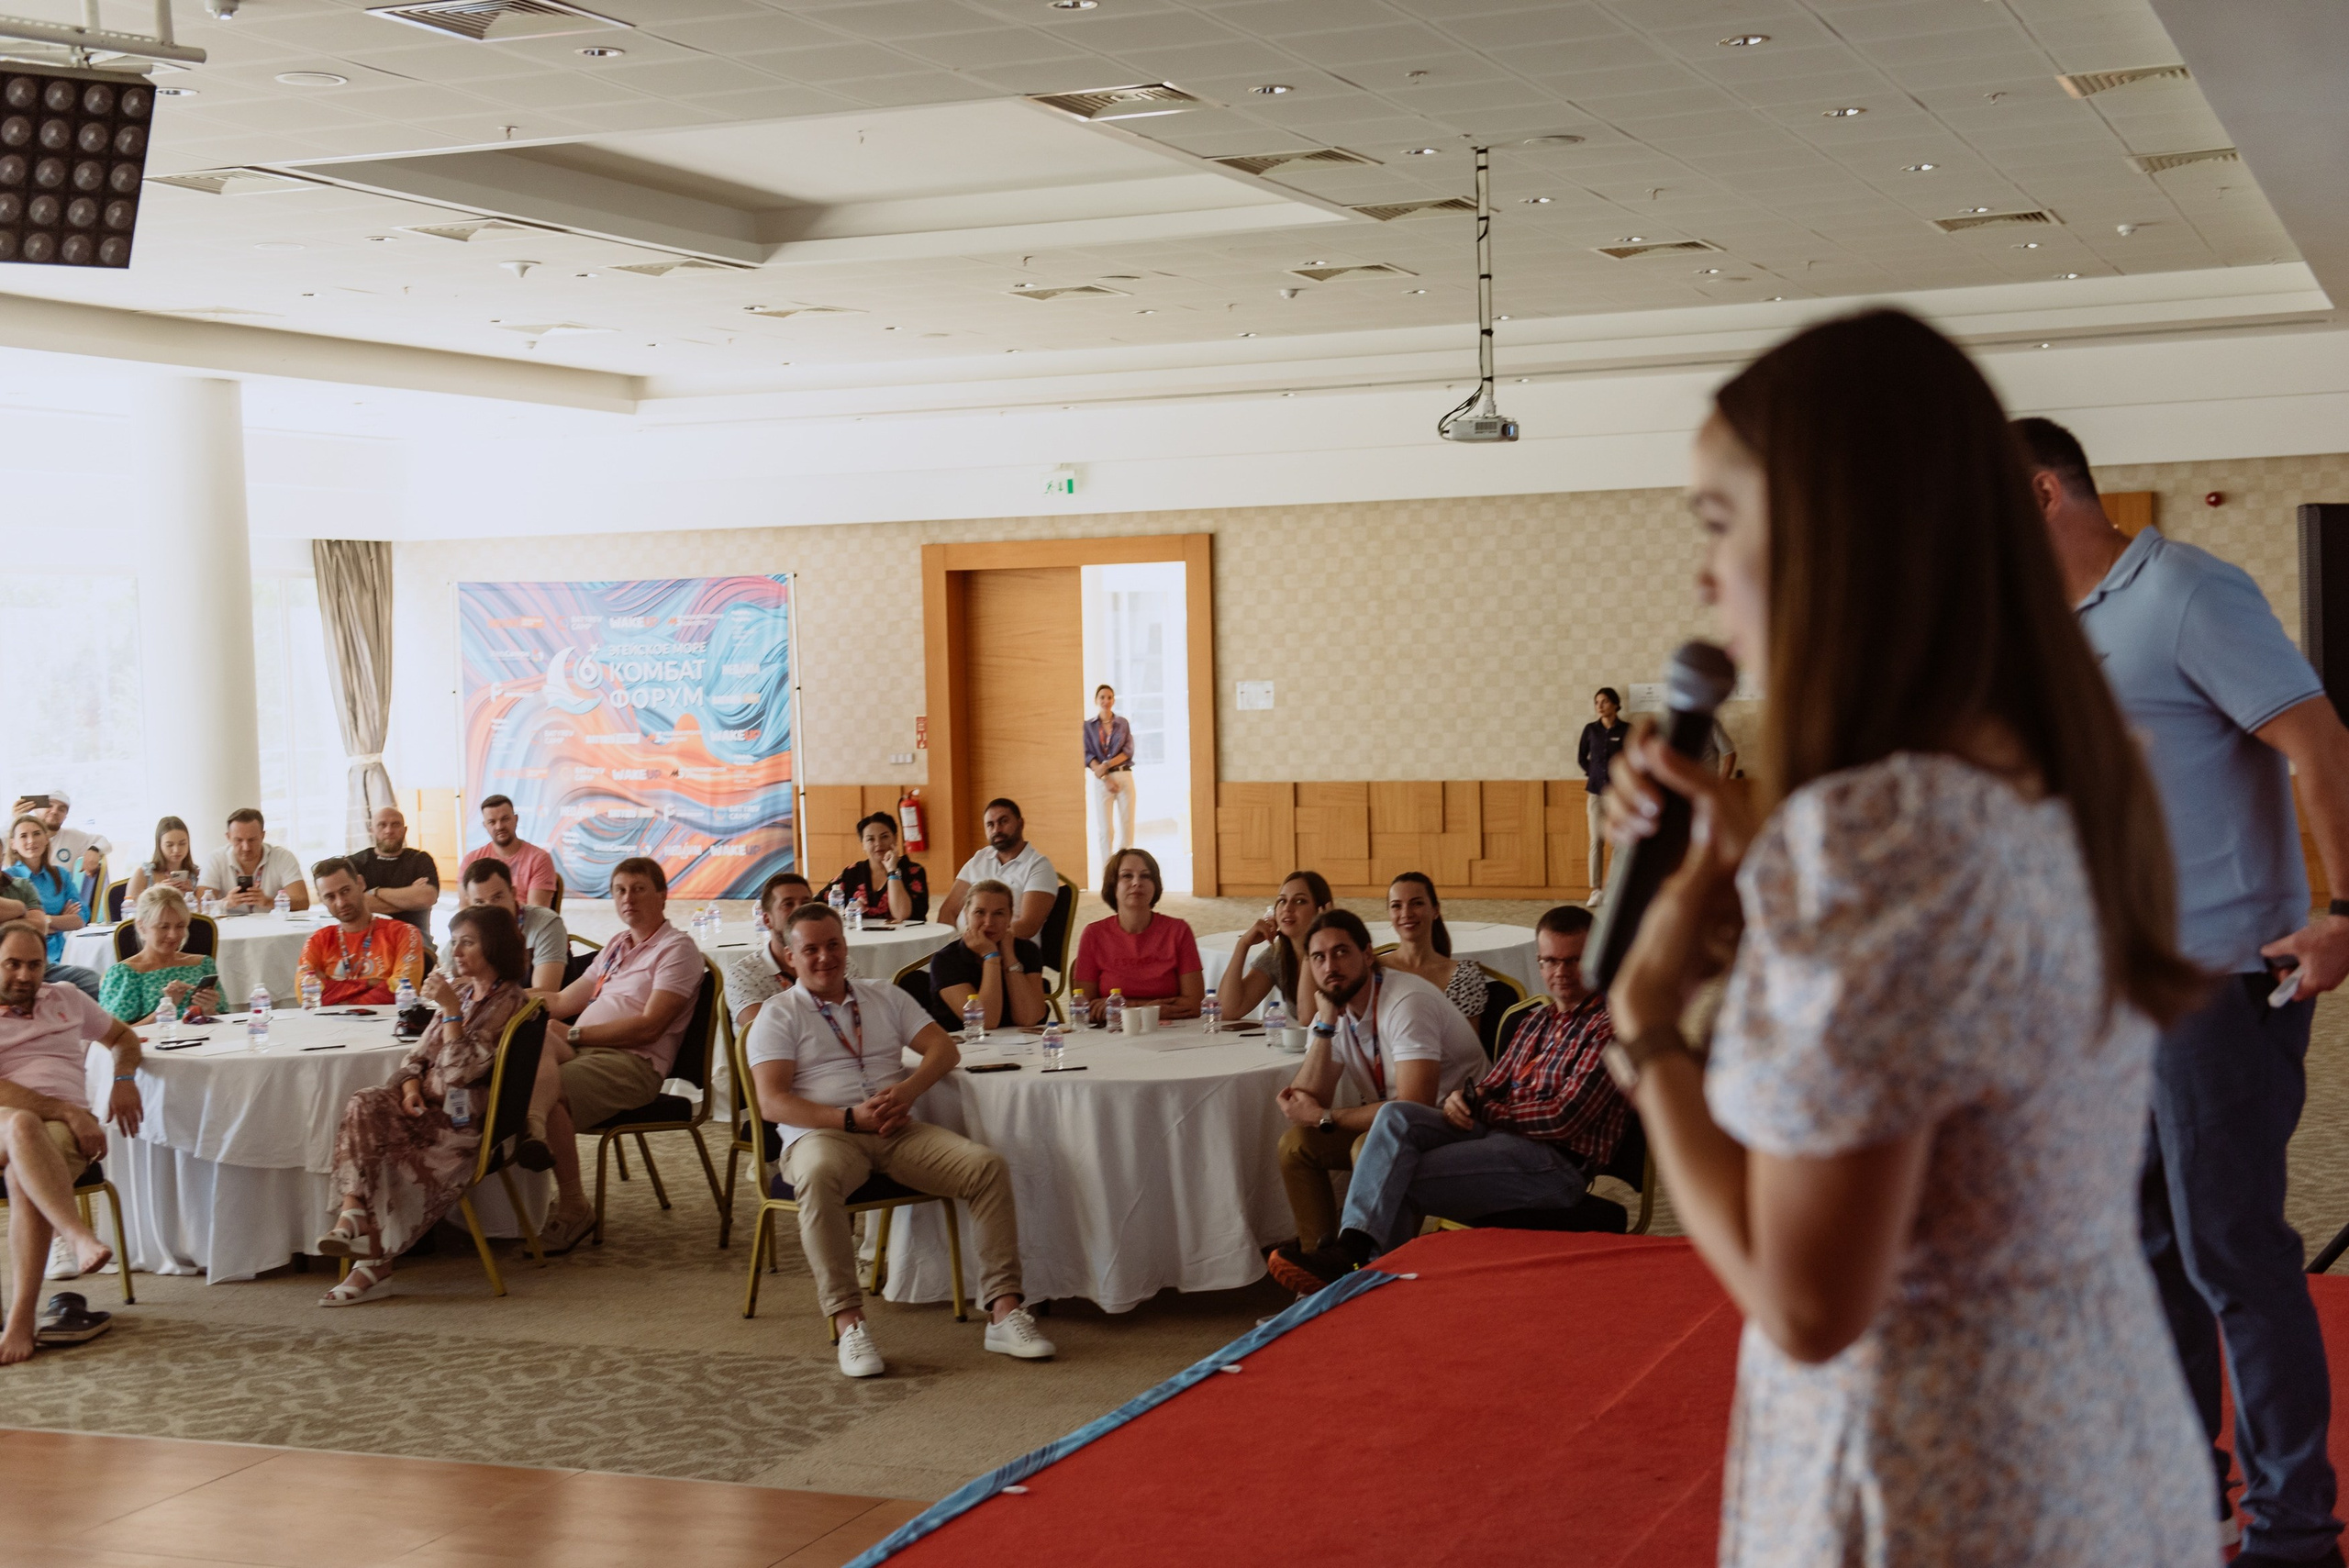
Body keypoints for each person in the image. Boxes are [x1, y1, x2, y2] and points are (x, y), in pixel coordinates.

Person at [1596, 310, 2210, 1564]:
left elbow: (1809, 1299)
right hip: (2099, 1426)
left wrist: (1652, 1033)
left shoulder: (1876, 834)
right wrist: (1759, 878)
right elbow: (1950, 1039)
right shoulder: (2087, 776)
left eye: (1719, 525)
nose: (1704, 581)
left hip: (1939, 1466)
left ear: (1834, 538)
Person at [2022, 413, 2349, 1564]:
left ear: (2039, 492)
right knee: (2142, 1254)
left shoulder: (2191, 593)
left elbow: (2320, 742)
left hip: (2215, 989)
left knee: (2232, 1260)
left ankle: (2295, 1527)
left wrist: (2345, 911)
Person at [743, 901, 1055, 1377]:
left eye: (833, 945)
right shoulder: (777, 1015)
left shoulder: (881, 996)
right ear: (790, 957)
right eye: (811, 950)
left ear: (846, 946)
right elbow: (772, 1102)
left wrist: (907, 1092)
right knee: (819, 1177)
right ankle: (848, 1323)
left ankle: (1003, 1310)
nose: (825, 957)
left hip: (896, 1130)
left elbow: (943, 1049)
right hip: (824, 1135)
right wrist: (848, 1118)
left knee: (985, 1168)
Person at [1271, 906, 1624, 1291]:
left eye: (1573, 961)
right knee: (1396, 1117)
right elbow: (1495, 1082)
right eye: (1550, 961)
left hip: (1554, 1165)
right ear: (1538, 963)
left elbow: (1563, 1118)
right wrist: (1466, 1098)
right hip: (1496, 1137)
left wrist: (1485, 1106)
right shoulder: (1539, 1020)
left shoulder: (1609, 1027)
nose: (1560, 972)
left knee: (1396, 1173)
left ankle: (1360, 1277)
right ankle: (1352, 1255)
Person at [314, 906, 532, 1307]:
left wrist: (450, 1011)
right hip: (426, 1108)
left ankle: (373, 1258)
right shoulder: (466, 992)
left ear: (495, 946)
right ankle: (353, 1211)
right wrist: (411, 1084)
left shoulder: (509, 1004)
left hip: (459, 1126)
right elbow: (417, 1055)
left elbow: (458, 1074)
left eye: (469, 942)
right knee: (365, 1102)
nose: (458, 951)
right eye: (456, 941)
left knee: (380, 1143)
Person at [1272, 909, 1485, 1253]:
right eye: (1319, 958)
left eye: (1341, 952)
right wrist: (1325, 1025)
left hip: (1456, 1122)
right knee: (1296, 1146)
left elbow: (1411, 1108)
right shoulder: (1336, 1006)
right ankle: (1320, 1270)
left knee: (1364, 1147)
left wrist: (1326, 1117)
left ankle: (1376, 1263)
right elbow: (1306, 1098)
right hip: (1397, 1124)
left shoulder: (1406, 1002)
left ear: (1368, 955)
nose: (1330, 967)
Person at [535, 857, 702, 1251]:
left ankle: (575, 1207)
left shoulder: (677, 949)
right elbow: (559, 1000)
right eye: (620, 891)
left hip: (633, 1063)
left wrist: (575, 1034)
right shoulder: (616, 944)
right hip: (586, 1049)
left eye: (639, 889)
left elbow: (650, 1027)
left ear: (662, 895)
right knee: (520, 1049)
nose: (628, 899)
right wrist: (500, 998)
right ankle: (528, 1145)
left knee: (547, 1090)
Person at [0, 920, 144, 1363]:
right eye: (12, 964)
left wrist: (122, 1077)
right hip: (20, 1117)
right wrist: (67, 1111)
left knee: (26, 1173)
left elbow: (123, 1036)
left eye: (34, 965)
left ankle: (21, 1318)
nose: (24, 975)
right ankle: (77, 1234)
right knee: (23, 1124)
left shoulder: (66, 998)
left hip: (58, 1134)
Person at [1071, 848, 1202, 1020]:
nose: (1136, 883)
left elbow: (1195, 1005)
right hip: (1112, 1034)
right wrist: (1148, 1010)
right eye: (1127, 876)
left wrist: (1118, 1008)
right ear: (1113, 885)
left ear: (1156, 886)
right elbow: (1084, 1008)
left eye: (1145, 876)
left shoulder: (1179, 930)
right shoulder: (1093, 934)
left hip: (1171, 1031)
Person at [296, 858, 425, 1006]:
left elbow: (402, 990)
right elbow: (304, 992)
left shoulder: (404, 933)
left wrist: (337, 995)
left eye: (345, 891)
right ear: (321, 899)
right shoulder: (318, 940)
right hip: (331, 1026)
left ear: (360, 883)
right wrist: (370, 983)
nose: (341, 902)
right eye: (330, 897)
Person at [726, 873, 840, 1039]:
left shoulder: (835, 962)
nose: (799, 911)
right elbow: (767, 1034)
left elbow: (860, 1016)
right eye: (788, 904)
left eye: (806, 903)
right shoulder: (744, 974)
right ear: (767, 920)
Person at [928, 880, 1047, 1033]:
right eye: (979, 912)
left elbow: (1029, 1018)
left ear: (1010, 916)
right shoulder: (945, 960)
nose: (988, 922)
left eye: (998, 913)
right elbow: (985, 1022)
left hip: (1020, 1046)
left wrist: (1009, 956)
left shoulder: (1026, 950)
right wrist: (992, 957)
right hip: (965, 1049)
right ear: (966, 914)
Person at [1216, 870, 1333, 1022]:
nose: (1287, 909)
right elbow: (1227, 1011)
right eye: (1282, 901)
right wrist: (1243, 944)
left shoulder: (1334, 955)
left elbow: (1310, 1019)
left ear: (1321, 910)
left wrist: (1314, 941)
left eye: (1300, 901)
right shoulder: (1278, 955)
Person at [935, 798, 1058, 941]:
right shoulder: (979, 859)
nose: (996, 830)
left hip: (1012, 951)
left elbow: (1028, 926)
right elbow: (948, 911)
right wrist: (951, 950)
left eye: (1003, 821)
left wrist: (980, 941)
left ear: (1020, 824)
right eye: (990, 825)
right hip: (966, 949)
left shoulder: (1038, 866)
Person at [1377, 872, 1489, 1026]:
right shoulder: (1373, 970)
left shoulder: (1463, 976)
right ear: (1389, 913)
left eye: (1417, 903)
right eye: (1396, 906)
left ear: (1435, 910)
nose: (1406, 913)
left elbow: (1467, 1047)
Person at [99, 886, 221, 1024]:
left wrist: (210, 1011)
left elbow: (226, 1022)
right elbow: (114, 1037)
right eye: (164, 927)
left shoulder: (203, 965)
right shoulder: (125, 975)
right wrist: (166, 1008)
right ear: (142, 926)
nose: (173, 935)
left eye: (180, 926)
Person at [458, 858, 566, 994]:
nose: (490, 909)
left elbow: (545, 992)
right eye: (480, 903)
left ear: (513, 893)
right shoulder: (467, 928)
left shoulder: (545, 924)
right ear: (469, 903)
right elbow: (445, 973)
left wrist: (487, 1001)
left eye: (497, 898)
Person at [0, 860, 97, 1003]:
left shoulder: (21, 886)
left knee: (93, 982)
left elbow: (40, 927)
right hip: (5, 971)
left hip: (41, 968)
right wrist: (21, 908)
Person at [352, 805, 440, 948]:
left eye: (395, 825)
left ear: (405, 830)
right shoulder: (355, 863)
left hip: (414, 935)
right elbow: (355, 905)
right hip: (367, 936)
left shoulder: (420, 859)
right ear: (372, 830)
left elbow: (426, 898)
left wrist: (375, 892)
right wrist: (409, 900)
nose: (389, 831)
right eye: (382, 825)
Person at [823, 812, 928, 925]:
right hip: (861, 940)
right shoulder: (852, 872)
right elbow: (817, 905)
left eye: (884, 837)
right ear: (862, 844)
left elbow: (901, 915)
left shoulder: (913, 871)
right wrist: (846, 911)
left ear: (895, 838)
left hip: (905, 939)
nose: (878, 843)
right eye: (870, 839)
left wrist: (892, 871)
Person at [199, 808, 308, 914]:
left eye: (252, 840)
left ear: (262, 836)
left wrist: (269, 901)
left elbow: (303, 902)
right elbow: (199, 906)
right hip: (229, 926)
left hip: (272, 925)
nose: (246, 847)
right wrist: (226, 903)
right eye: (238, 840)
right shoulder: (215, 859)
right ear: (228, 837)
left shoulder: (283, 857)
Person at [6, 816, 84, 963]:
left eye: (37, 834)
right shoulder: (8, 879)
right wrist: (60, 921)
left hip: (66, 951)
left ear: (46, 838)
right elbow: (14, 927)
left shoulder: (61, 875)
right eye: (23, 836)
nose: (31, 841)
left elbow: (79, 919)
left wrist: (43, 921)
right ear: (13, 844)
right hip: (26, 955)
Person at [1576, 689, 1629, 906]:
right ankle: (1596, 889)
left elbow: (1632, 758)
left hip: (1619, 794)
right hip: (1596, 792)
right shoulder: (1591, 730)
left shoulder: (1627, 730)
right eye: (1597, 702)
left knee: (1618, 841)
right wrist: (1595, 773)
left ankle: (1614, 888)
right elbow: (1581, 758)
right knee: (1596, 840)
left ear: (1615, 704)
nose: (1600, 706)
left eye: (1605, 701)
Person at [461, 795, 559, 907]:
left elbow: (536, 913)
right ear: (485, 825)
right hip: (481, 923)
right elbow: (464, 908)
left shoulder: (539, 859)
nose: (499, 826)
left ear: (516, 819)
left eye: (505, 819)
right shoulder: (470, 860)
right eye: (492, 822)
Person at [1085, 684, 1135, 870]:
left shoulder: (1122, 723)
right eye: (1102, 697)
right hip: (1102, 782)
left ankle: (1126, 868)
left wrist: (1106, 765)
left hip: (1123, 776)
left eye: (1110, 697)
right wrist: (1105, 777)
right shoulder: (1088, 727)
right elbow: (1088, 755)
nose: (1106, 701)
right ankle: (1108, 870)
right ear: (1096, 700)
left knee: (1127, 823)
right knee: (1105, 829)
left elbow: (1128, 751)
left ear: (1114, 700)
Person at [126, 816, 199, 904]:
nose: (176, 850)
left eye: (182, 844)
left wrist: (192, 896)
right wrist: (154, 892)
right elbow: (130, 910)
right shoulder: (144, 874)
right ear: (159, 845)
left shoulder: (196, 874)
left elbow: (207, 910)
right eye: (169, 845)